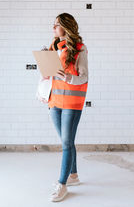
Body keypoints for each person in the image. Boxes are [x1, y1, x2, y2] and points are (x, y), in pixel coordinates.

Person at [42, 13, 89, 202]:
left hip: (72, 101)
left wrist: (68, 78)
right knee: (66, 142)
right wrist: (45, 63)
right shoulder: (54, 47)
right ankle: (74, 176)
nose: (53, 28)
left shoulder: (80, 49)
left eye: (56, 25)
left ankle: (62, 184)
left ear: (66, 27)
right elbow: (48, 75)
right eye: (53, 25)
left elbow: (84, 77)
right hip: (54, 101)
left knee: (66, 144)